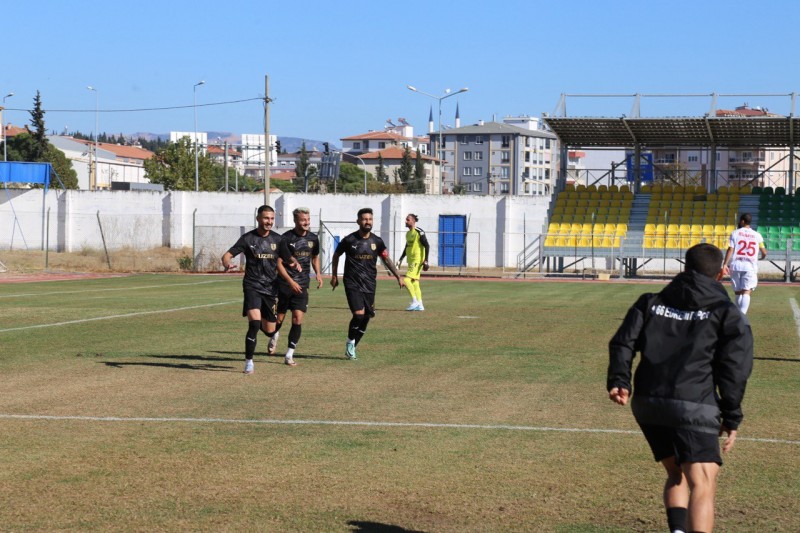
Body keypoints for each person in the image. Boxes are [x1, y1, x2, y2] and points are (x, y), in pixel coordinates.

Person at [608, 243, 753, 533]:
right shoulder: (726, 312)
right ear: (721, 274)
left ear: (685, 268)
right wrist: (732, 415)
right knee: (703, 481)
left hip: (648, 403)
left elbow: (623, 342)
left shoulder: (650, 301)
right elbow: (735, 368)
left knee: (677, 473)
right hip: (693, 404)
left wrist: (619, 380)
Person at [222, 205, 290, 375]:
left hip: (271, 288)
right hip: (252, 285)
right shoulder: (248, 239)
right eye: (266, 218)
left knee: (269, 330)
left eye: (272, 218)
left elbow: (288, 259)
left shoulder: (278, 240)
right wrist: (227, 263)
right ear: (258, 218)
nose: (269, 221)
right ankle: (249, 363)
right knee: (254, 324)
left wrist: (294, 264)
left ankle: (274, 334)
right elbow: (227, 255)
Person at [330, 207, 404, 360]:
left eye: (370, 219)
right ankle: (350, 342)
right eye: (364, 219)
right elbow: (336, 255)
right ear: (358, 221)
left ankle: (353, 346)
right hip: (352, 282)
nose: (367, 222)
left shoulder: (377, 241)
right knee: (359, 314)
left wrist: (398, 276)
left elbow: (386, 259)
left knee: (367, 317)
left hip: (369, 283)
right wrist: (334, 275)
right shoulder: (349, 240)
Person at [273, 207, 323, 367]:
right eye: (303, 220)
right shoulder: (286, 238)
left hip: (302, 285)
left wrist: (318, 274)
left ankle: (289, 354)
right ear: (295, 220)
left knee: (297, 318)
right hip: (285, 284)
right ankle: (274, 334)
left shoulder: (313, 238)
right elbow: (278, 263)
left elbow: (315, 257)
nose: (306, 222)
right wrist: (289, 281)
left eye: (308, 219)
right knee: (279, 318)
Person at [722, 213, 767, 315]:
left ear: (742, 221)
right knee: (746, 291)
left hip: (736, 266)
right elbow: (764, 252)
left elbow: (730, 249)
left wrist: (725, 264)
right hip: (750, 267)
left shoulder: (735, 233)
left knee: (738, 292)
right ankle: (742, 316)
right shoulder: (757, 235)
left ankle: (738, 315)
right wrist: (762, 257)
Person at [396, 213, 430, 311]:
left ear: (413, 221)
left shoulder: (419, 232)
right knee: (415, 282)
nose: (406, 221)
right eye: (406, 219)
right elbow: (407, 247)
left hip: (417, 260)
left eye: (408, 220)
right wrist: (401, 259)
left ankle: (415, 302)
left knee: (406, 280)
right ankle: (420, 305)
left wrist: (426, 260)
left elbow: (427, 245)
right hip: (411, 261)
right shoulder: (408, 234)